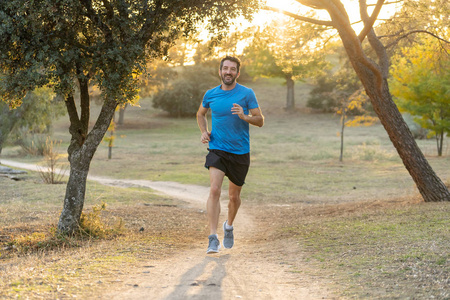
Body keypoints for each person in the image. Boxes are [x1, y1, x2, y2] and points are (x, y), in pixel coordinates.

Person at [197, 56, 264, 254]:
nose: (228, 72)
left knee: (234, 197)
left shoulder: (246, 93)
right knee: (215, 190)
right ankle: (212, 237)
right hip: (217, 148)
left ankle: (228, 226)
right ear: (220, 71)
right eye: (225, 68)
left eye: (232, 69)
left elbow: (260, 120)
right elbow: (201, 114)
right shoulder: (211, 94)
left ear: (237, 73)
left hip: (240, 151)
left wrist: (245, 117)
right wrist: (204, 131)